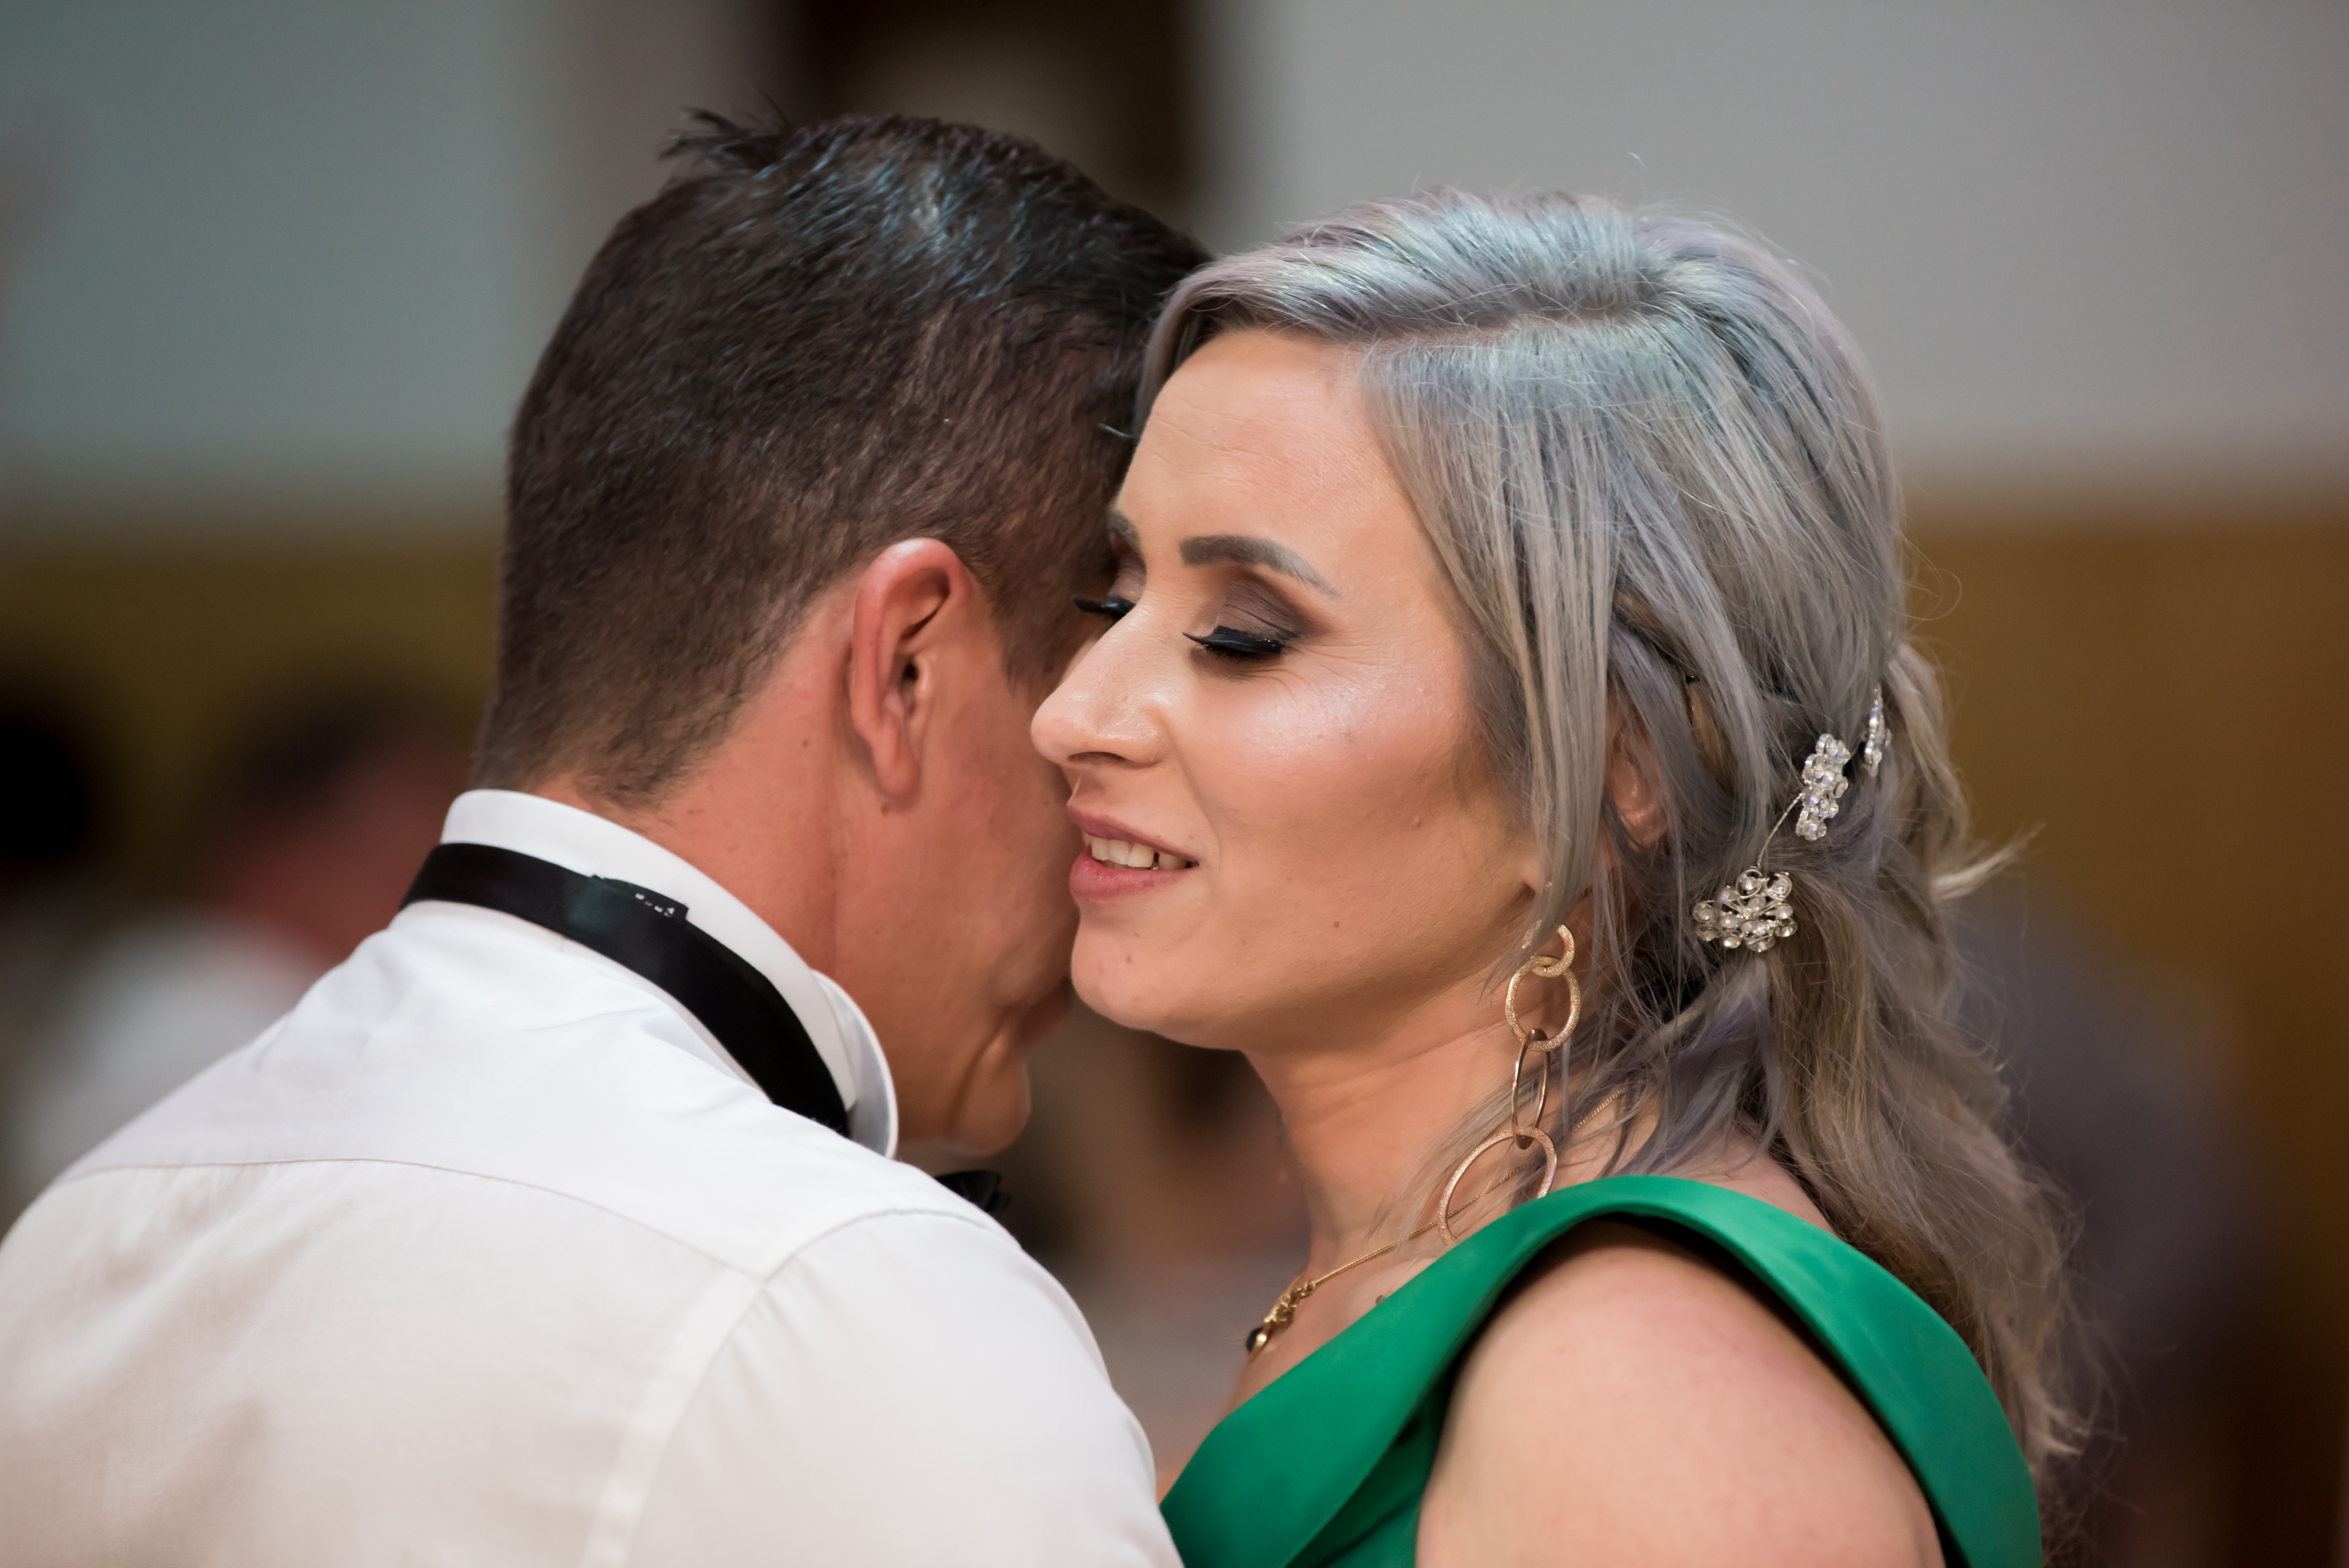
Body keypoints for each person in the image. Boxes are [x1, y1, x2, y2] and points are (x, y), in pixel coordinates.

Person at [0, 114, 1202, 1564]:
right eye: (1101, 666)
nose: (1114, 808)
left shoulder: (72, 1245)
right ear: (907, 670)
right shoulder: (853, 1299)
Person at [1035, 190, 2071, 1567]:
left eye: (1242, 634)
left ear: (1613, 767)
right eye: (1115, 598)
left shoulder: (1644, 1395)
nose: (1073, 711)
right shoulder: (1438, 1259)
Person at [8, 691, 468, 1194]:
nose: (451, 900)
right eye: (398, 858)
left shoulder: (192, 992)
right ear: (272, 847)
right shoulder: (205, 1009)